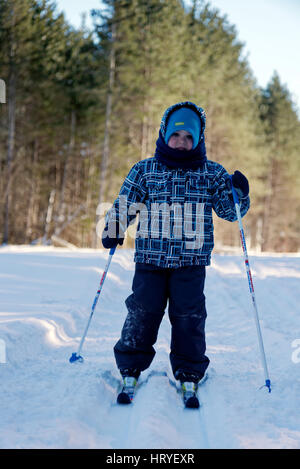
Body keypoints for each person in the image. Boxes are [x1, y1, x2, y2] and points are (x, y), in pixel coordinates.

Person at [101, 101, 250, 405]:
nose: (181, 143)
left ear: (198, 140)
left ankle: (189, 371)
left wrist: (239, 195)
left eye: (188, 138)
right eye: (176, 135)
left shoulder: (211, 173)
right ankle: (130, 364)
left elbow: (228, 211)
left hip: (191, 261)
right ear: (164, 134)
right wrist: (115, 226)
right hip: (150, 260)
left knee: (188, 317)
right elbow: (126, 202)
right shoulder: (146, 170)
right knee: (142, 311)